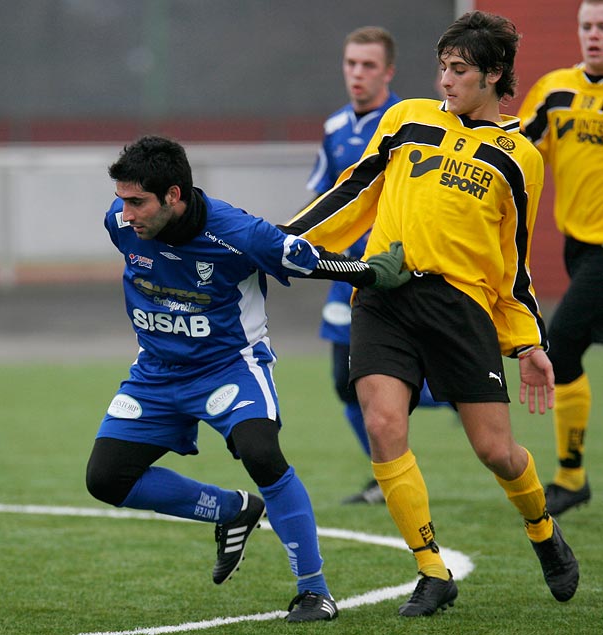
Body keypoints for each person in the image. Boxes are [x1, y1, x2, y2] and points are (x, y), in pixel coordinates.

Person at [280, 11, 579, 617]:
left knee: (497, 452)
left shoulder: (519, 157)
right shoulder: (406, 118)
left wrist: (527, 344)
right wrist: (281, 241)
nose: (446, 80)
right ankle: (431, 569)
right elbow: (353, 190)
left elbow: (512, 263)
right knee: (383, 423)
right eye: (443, 67)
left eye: (460, 70)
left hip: (460, 309)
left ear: (494, 75)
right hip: (384, 297)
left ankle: (543, 529)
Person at [84, 135, 410, 622]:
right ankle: (231, 511)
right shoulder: (121, 224)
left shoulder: (238, 233)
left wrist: (370, 273)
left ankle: (313, 591)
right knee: (105, 479)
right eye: (122, 201)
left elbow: (306, 259)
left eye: (137, 202)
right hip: (154, 372)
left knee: (262, 453)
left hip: (228, 368)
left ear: (174, 195)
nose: (125, 214)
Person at [308, 26, 444, 505]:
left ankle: (455, 393)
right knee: (344, 386)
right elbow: (326, 200)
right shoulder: (334, 129)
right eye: (351, 64)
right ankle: (386, 478)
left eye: (368, 65)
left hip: (391, 276)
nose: (357, 74)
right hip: (341, 275)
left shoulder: (413, 124)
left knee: (375, 381)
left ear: (388, 71)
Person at [517, 0, 603, 517]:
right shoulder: (555, 90)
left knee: (563, 342)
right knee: (569, 348)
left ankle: (571, 478)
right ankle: (573, 476)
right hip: (579, 245)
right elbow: (520, 149)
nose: (594, 35)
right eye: (587, 26)